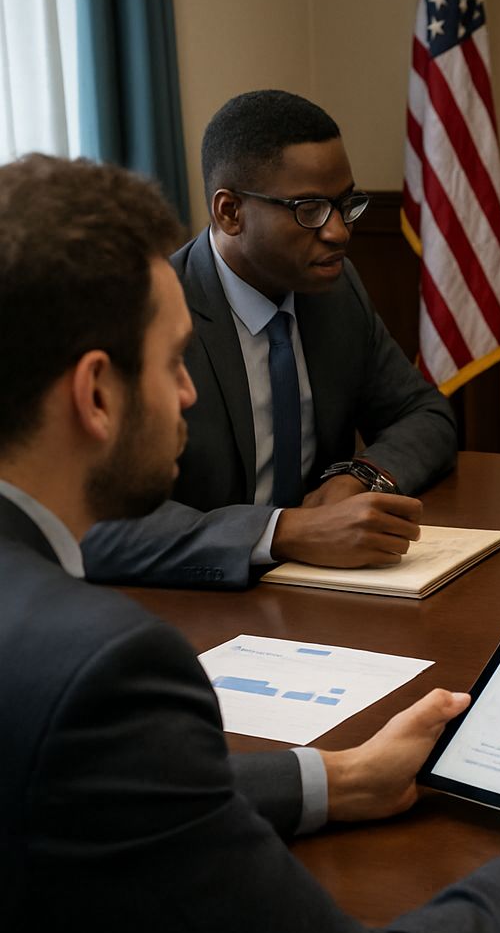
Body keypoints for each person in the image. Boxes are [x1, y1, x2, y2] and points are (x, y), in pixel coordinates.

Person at [0, 154, 500, 933]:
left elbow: (97, 790)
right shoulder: (105, 669)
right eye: (170, 364)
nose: (187, 391)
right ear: (94, 393)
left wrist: (341, 776)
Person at [82, 90, 457, 588]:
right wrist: (280, 532)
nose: (339, 232)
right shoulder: (143, 316)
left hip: (323, 592)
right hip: (195, 606)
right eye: (310, 209)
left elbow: (425, 415)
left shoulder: (335, 290)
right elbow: (97, 523)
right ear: (230, 212)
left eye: (346, 204)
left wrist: (358, 476)